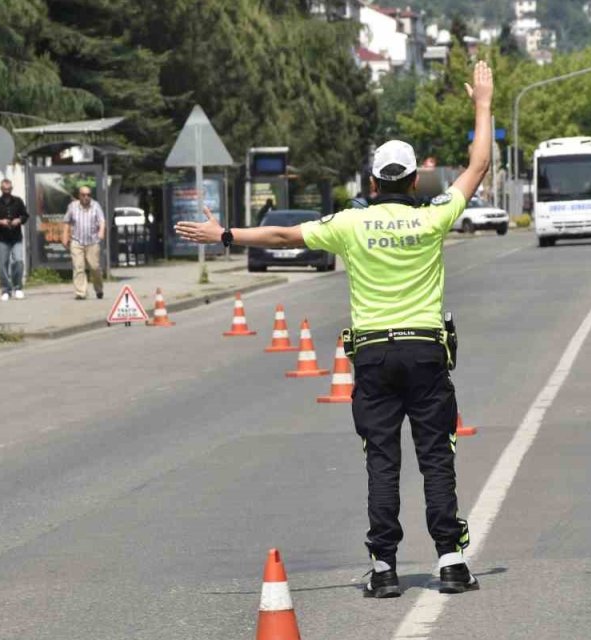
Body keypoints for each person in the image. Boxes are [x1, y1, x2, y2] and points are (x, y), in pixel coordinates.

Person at [177, 60, 495, 599]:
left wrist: (224, 232)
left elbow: (281, 236)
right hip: (425, 352)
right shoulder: (432, 217)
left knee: (382, 459)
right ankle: (450, 561)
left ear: (372, 182)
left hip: (372, 355)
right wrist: (483, 104)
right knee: (436, 455)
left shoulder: (350, 223)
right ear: (415, 180)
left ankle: (385, 568)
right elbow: (480, 163)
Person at [61, 186, 105, 300]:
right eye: (83, 195)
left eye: (88, 195)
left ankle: (99, 289)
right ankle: (81, 292)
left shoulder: (96, 206)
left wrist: (101, 231)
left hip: (92, 241)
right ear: (79, 195)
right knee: (78, 267)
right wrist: (65, 236)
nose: (86, 197)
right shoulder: (72, 206)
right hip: (77, 241)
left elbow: (102, 221)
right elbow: (66, 222)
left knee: (95, 267)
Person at [0, 179, 29, 301]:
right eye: (4, 190)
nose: (7, 192)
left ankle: (18, 287)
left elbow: (25, 216)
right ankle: (5, 290)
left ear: (12, 189)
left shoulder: (18, 201)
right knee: (3, 265)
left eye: (9, 190)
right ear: (1, 189)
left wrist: (18, 220)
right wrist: (1, 221)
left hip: (16, 237)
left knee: (18, 261)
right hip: (1, 238)